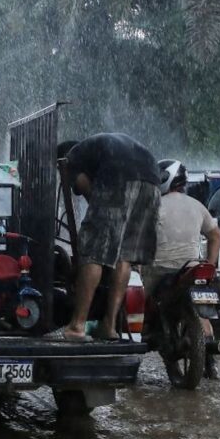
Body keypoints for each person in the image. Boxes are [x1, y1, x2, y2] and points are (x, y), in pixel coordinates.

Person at [58, 133, 161, 341]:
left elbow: (88, 191)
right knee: (125, 255)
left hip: (119, 179)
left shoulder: (71, 158)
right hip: (152, 181)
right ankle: (109, 326)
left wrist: (100, 222)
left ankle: (77, 326)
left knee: (93, 252)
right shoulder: (99, 147)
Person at [143, 159, 220, 377]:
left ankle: (145, 333)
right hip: (193, 268)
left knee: (139, 305)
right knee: (202, 310)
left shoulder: (153, 205)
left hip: (159, 270)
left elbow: (139, 239)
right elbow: (216, 236)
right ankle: (211, 364)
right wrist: (211, 265)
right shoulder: (198, 205)